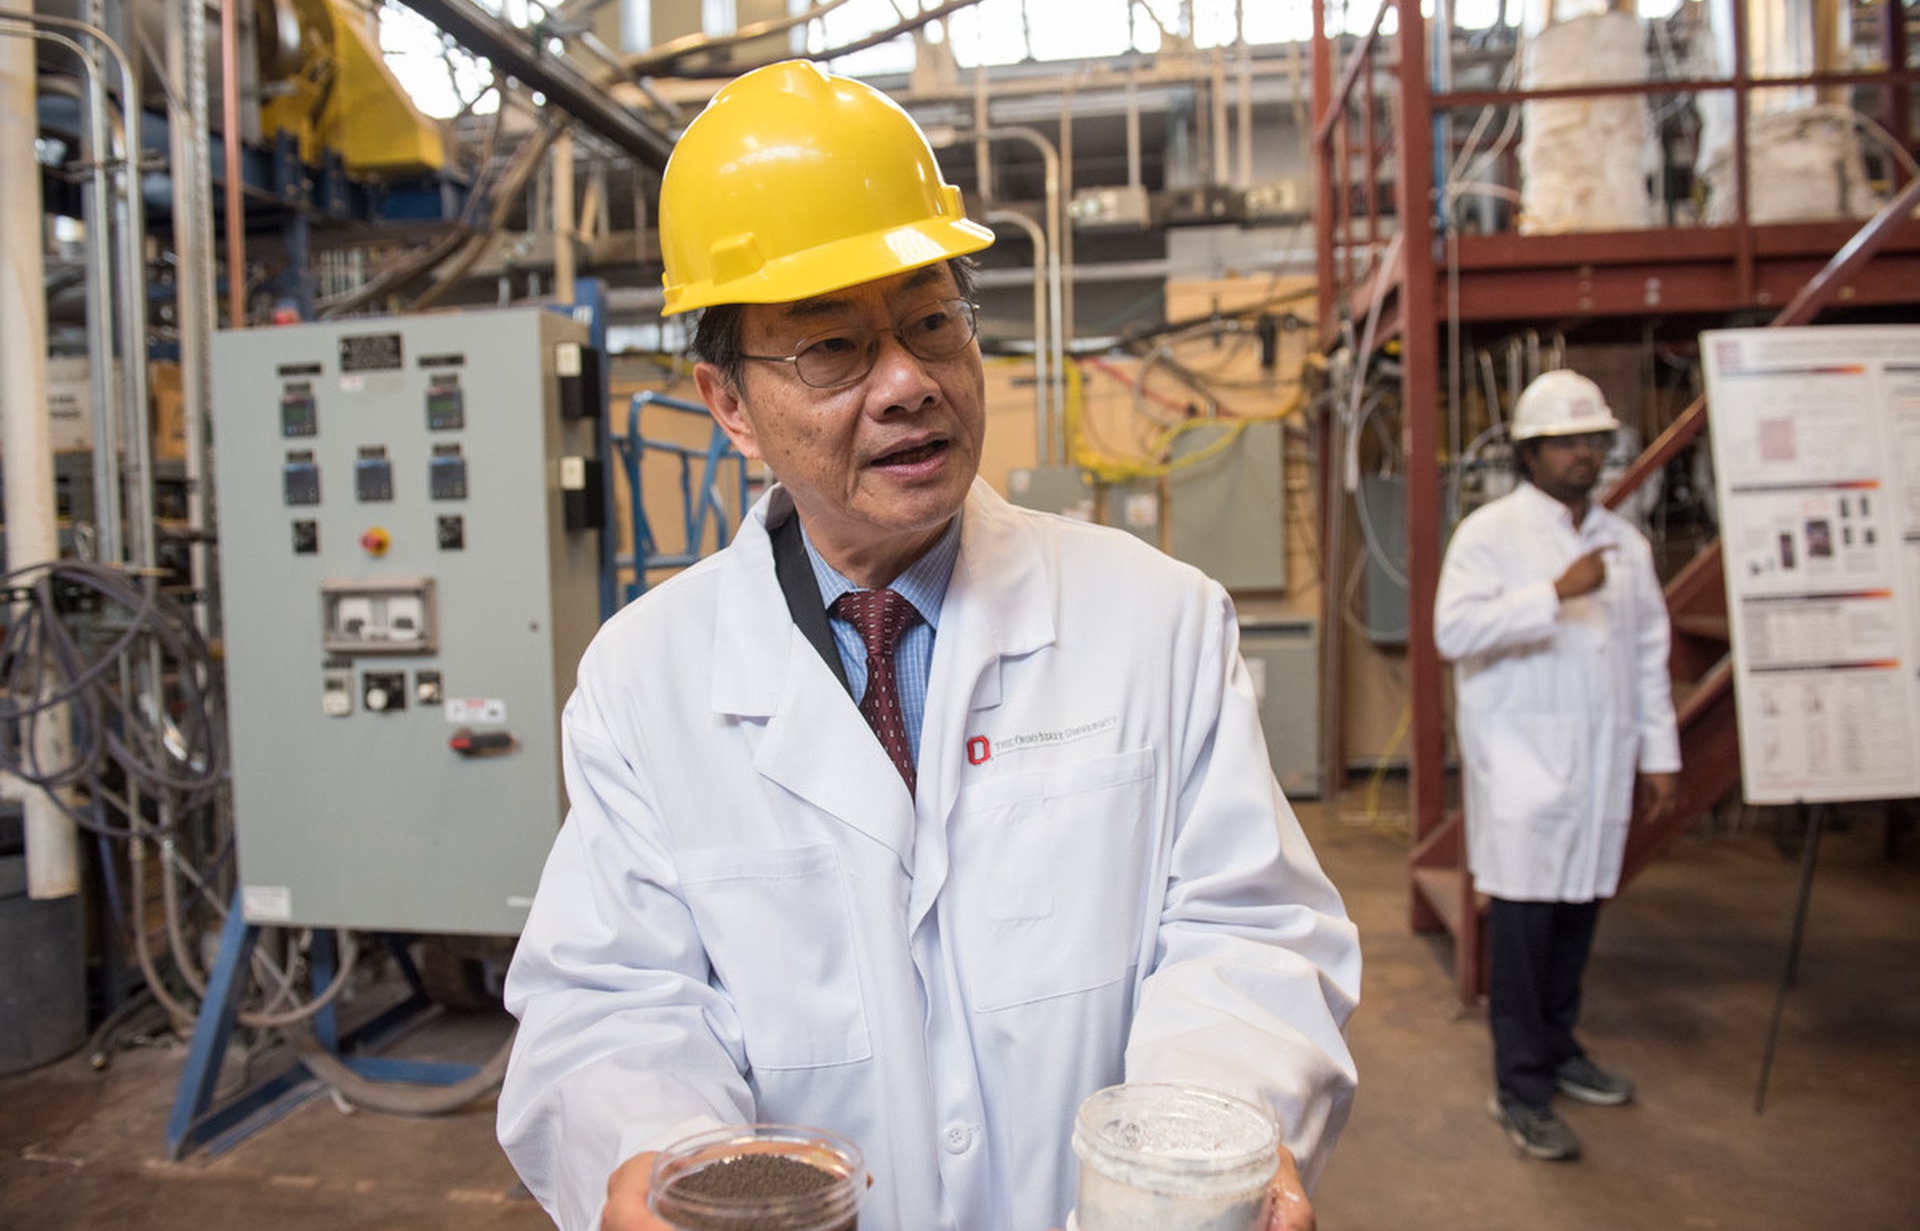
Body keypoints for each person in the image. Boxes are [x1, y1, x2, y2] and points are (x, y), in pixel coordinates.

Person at [495, 59, 1361, 1231]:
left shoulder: (1156, 621)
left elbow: (1245, 933)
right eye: (834, 352)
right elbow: (614, 999)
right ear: (728, 403)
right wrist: (657, 1163)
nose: (908, 383)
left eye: (931, 324)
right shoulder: (644, 681)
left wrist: (1204, 1137)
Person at [1433, 368, 1681, 1162]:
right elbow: (1454, 631)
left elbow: (1649, 656)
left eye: (1593, 441)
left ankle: (1562, 1046)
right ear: (1528, 451)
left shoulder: (1626, 544)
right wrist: (1552, 591)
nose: (1583, 454)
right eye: (1565, 442)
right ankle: (1522, 1086)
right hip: (1523, 768)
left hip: (1601, 766)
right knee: (1525, 928)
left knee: (1578, 913)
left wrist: (1661, 752)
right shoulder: (1491, 533)